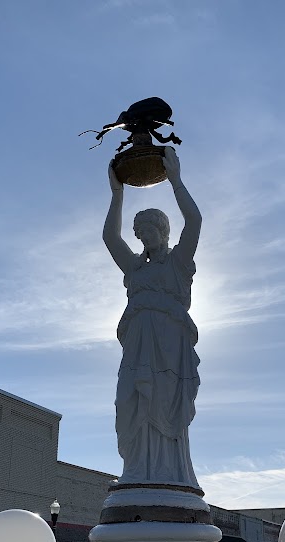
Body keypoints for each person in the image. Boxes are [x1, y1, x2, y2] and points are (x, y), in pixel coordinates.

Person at [103, 147, 202, 488]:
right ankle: (136, 471)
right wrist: (117, 195)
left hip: (169, 347)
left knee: (161, 402)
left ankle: (168, 475)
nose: (144, 237)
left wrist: (176, 181)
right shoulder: (135, 269)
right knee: (129, 400)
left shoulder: (178, 264)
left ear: (163, 232)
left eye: (150, 231)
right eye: (140, 233)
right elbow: (110, 238)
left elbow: (195, 222)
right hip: (137, 345)